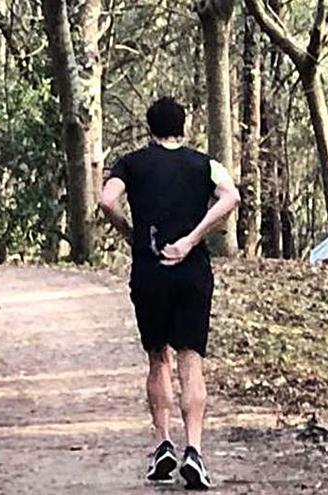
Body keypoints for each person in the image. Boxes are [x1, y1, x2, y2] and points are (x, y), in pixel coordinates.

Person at [99, 97, 240, 490]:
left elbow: (107, 199)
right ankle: (193, 450)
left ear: (150, 129)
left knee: (157, 358)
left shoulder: (132, 162)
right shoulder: (204, 163)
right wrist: (193, 239)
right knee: (190, 361)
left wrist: (131, 234)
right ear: (185, 127)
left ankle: (163, 444)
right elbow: (230, 196)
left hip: (150, 269)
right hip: (192, 271)